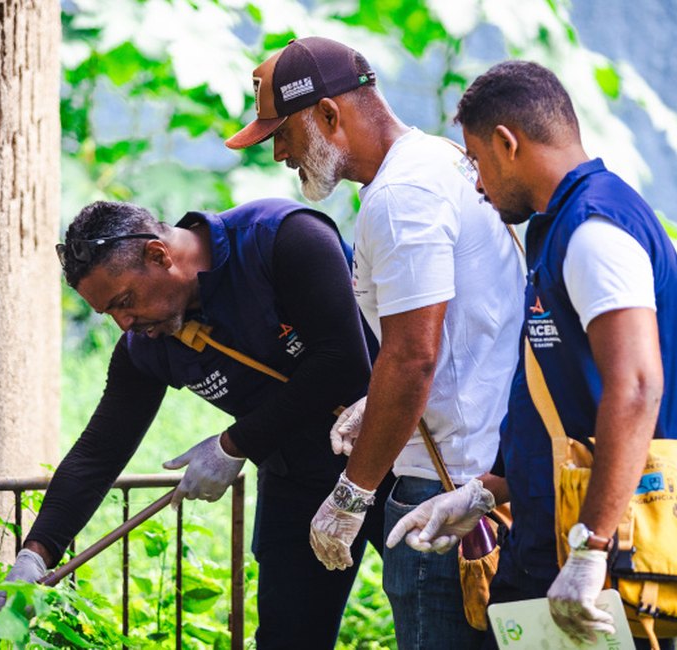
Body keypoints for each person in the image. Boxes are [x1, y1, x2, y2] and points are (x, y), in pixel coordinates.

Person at [387, 61, 677, 649]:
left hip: (601, 567)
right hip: (554, 547)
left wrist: (593, 550)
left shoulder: (594, 228)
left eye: (477, 161)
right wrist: (485, 492)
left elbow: (636, 387)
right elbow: (564, 400)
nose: (478, 185)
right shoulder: (558, 227)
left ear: (508, 144)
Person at [226, 37, 524, 649]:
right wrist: (377, 408)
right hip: (494, 478)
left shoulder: (399, 199)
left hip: (448, 503)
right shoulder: (438, 162)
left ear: (329, 116)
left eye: (283, 133)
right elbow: (465, 329)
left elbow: (413, 357)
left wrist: (350, 495)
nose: (281, 155)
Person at [0, 197, 393, 649]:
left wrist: (232, 443)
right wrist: (37, 552)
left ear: (158, 255)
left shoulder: (283, 238)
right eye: (111, 313)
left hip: (394, 453)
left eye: (125, 301)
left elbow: (343, 362)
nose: (125, 323)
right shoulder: (147, 344)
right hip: (299, 479)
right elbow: (98, 452)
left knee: (439, 610)